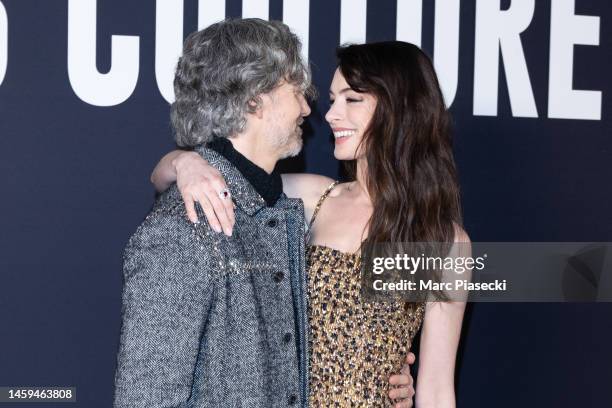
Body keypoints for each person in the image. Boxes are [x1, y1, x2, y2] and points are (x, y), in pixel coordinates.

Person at [115, 19, 415, 408]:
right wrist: (183, 162)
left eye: (351, 99)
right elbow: (145, 399)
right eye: (297, 91)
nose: (310, 110)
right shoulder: (181, 230)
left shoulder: (277, 212)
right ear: (255, 98)